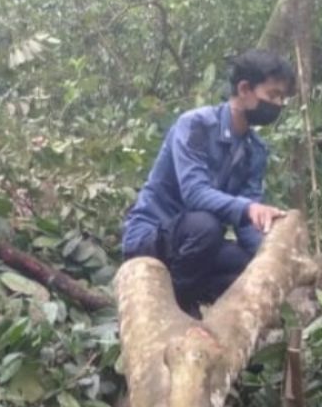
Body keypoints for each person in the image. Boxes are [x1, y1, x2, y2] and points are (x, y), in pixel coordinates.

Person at [122, 49, 295, 316]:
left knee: (246, 266)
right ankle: (178, 310)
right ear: (245, 89)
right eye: (273, 95)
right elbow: (194, 193)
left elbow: (248, 225)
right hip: (153, 237)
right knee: (205, 225)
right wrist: (248, 208)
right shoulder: (195, 126)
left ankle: (203, 306)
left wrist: (269, 258)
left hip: (197, 250)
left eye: (283, 98)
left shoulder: (255, 151)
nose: (279, 104)